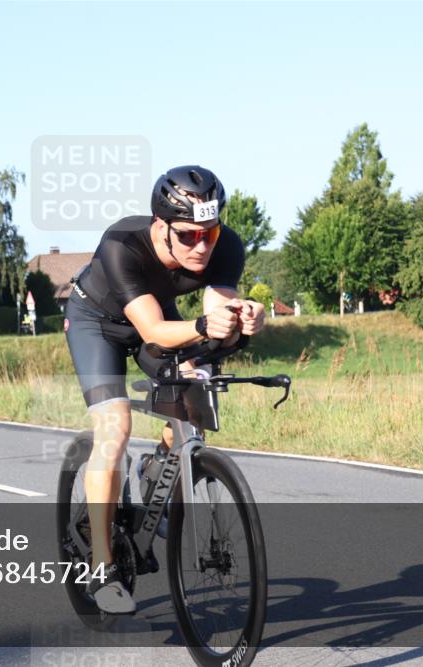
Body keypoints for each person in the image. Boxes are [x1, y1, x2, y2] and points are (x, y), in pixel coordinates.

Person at [64, 165, 266, 614]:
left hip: (157, 320)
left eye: (209, 234)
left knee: (194, 393)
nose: (202, 245)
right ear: (161, 227)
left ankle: (156, 469)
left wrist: (244, 322)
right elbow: (153, 329)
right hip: (97, 322)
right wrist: (200, 325)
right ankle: (102, 565)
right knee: (115, 427)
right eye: (189, 235)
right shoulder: (122, 245)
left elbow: (217, 316)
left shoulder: (225, 245)